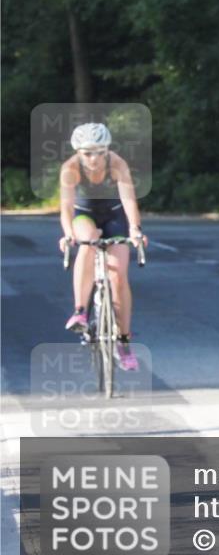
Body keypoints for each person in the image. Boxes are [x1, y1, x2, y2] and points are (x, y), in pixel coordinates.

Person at [58, 122, 147, 371]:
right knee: (88, 241)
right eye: (87, 153)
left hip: (114, 217)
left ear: (107, 150)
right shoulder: (70, 168)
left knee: (118, 276)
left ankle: (124, 342)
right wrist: (67, 234)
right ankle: (80, 311)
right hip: (84, 216)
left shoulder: (117, 163)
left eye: (99, 152)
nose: (94, 158)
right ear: (78, 152)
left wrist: (135, 230)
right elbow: (65, 208)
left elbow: (129, 199)